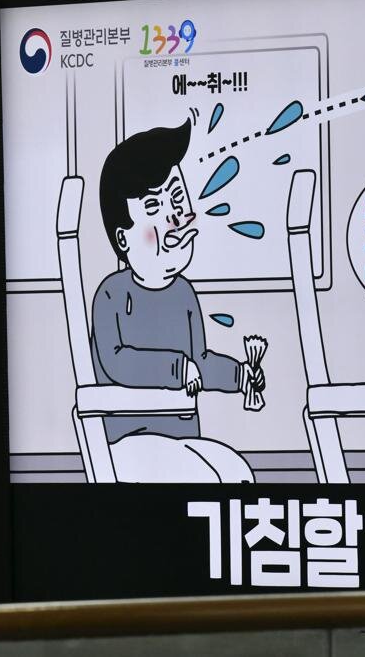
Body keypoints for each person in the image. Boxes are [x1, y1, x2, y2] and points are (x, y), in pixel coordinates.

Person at [92, 119, 264, 482]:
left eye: (177, 197)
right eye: (153, 206)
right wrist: (175, 369)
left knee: (239, 474)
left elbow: (200, 360)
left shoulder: (183, 293)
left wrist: (240, 375)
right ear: (123, 239)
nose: (175, 216)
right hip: (129, 442)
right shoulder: (110, 294)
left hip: (184, 441)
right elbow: (116, 361)